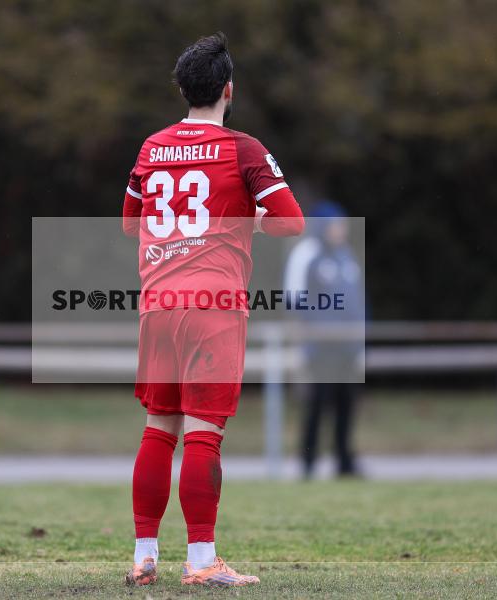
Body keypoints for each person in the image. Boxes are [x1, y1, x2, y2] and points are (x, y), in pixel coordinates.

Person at [120, 32, 304, 587]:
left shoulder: (152, 148)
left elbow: (131, 223)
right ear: (230, 89)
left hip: (157, 303)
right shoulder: (243, 149)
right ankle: (201, 562)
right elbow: (291, 222)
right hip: (213, 303)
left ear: (182, 89)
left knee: (158, 430)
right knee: (204, 434)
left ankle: (143, 556)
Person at [284, 201, 365, 478]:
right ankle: (308, 462)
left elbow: (356, 300)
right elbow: (294, 299)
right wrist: (316, 331)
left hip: (346, 347)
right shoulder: (306, 254)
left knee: (346, 403)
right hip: (320, 346)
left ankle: (344, 461)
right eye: (335, 225)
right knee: (317, 403)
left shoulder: (346, 256)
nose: (340, 231)